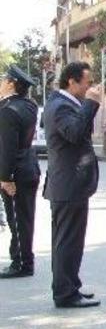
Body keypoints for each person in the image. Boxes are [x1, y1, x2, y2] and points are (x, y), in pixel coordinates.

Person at [42, 62, 102, 308]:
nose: (89, 86)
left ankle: (70, 285)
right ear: (72, 82)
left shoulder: (64, 103)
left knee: (69, 240)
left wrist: (87, 105)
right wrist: (91, 103)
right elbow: (75, 133)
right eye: (86, 82)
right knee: (68, 241)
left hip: (70, 185)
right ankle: (65, 294)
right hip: (68, 185)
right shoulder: (60, 106)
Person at [0, 65, 41, 279]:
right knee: (25, 218)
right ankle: (24, 259)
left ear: (11, 84)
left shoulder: (7, 110)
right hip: (29, 168)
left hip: (15, 172)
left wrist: (5, 178)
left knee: (16, 218)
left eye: (2, 80)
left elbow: (8, 149)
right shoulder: (29, 105)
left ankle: (22, 263)